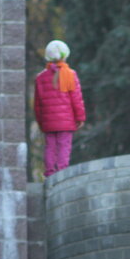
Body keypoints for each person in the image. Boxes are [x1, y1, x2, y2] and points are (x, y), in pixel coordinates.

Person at [34, 39, 86, 177]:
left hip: (48, 120)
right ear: (65, 55)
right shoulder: (70, 74)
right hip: (66, 120)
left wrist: (40, 121)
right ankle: (62, 172)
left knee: (50, 146)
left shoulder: (40, 78)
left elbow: (37, 103)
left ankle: (50, 173)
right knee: (64, 145)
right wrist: (80, 117)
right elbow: (76, 98)